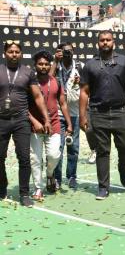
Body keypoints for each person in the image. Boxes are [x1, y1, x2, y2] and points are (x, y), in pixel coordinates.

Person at [79, 30, 125, 200]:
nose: (105, 42)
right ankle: (103, 187)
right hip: (98, 113)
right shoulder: (90, 65)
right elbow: (84, 92)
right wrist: (83, 115)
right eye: (102, 40)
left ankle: (122, 167)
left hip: (121, 112)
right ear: (97, 43)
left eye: (108, 40)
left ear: (114, 42)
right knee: (102, 152)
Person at [0, 41, 51, 207]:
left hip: (21, 120)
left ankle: (24, 194)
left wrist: (46, 119)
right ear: (5, 54)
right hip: (1, 120)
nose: (14, 54)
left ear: (21, 54)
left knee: (24, 158)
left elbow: (38, 97)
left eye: (17, 52)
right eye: (10, 52)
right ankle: (2, 187)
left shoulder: (28, 72)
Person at [29, 50, 72, 201]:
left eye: (46, 64)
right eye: (40, 64)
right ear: (35, 65)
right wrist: (34, 121)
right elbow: (24, 106)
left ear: (49, 66)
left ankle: (49, 174)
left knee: (54, 155)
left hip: (54, 124)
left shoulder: (56, 81)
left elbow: (63, 103)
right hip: (34, 126)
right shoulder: (29, 82)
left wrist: (69, 123)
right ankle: (38, 188)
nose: (43, 66)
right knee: (35, 158)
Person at [50, 42, 83, 190]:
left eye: (70, 51)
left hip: (74, 112)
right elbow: (47, 81)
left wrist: (81, 82)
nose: (67, 53)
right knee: (58, 147)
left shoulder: (81, 66)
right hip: (58, 112)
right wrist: (55, 61)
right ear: (59, 52)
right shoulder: (55, 66)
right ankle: (56, 178)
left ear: (74, 51)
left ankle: (71, 176)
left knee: (73, 147)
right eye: (64, 51)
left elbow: (87, 88)